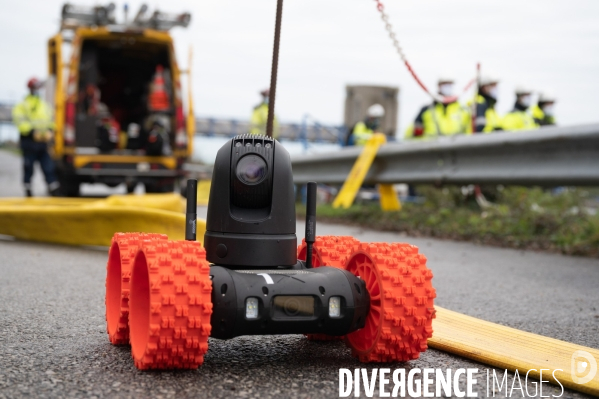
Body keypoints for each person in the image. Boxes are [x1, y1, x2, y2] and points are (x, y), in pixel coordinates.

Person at [12, 78, 60, 197]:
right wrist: (31, 131)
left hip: (42, 143)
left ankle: (53, 188)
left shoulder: (44, 105)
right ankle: (27, 189)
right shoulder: (23, 105)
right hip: (29, 142)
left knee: (48, 166)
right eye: (36, 87)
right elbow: (20, 121)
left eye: (39, 87)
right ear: (30, 88)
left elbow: (50, 120)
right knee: (28, 167)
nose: (38, 90)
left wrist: (50, 130)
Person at [404, 76, 471, 139]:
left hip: (458, 149)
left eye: (449, 84)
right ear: (439, 86)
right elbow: (412, 134)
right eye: (445, 84)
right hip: (431, 149)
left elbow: (470, 133)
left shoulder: (463, 110)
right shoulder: (426, 110)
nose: (447, 87)